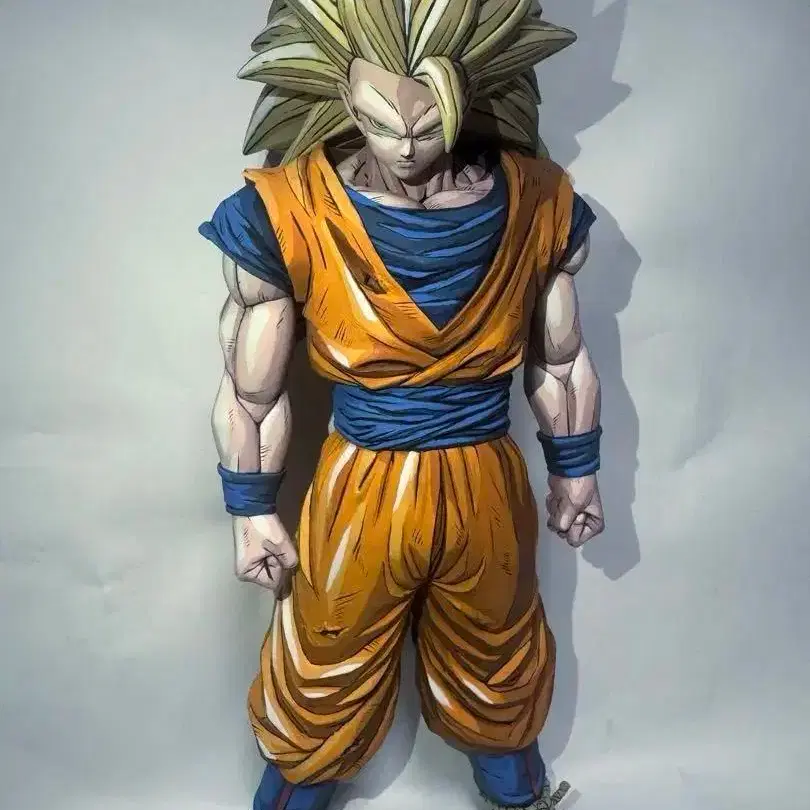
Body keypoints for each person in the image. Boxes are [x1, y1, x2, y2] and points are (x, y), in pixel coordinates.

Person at [200, 1, 605, 807]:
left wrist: (576, 471)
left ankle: (519, 796)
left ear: (467, 96)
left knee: (498, 660)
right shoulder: (287, 213)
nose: (406, 146)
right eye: (380, 122)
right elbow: (251, 390)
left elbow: (561, 362)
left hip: (485, 485)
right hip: (360, 490)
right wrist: (250, 509)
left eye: (427, 123)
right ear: (343, 101)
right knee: (325, 668)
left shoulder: (539, 204)